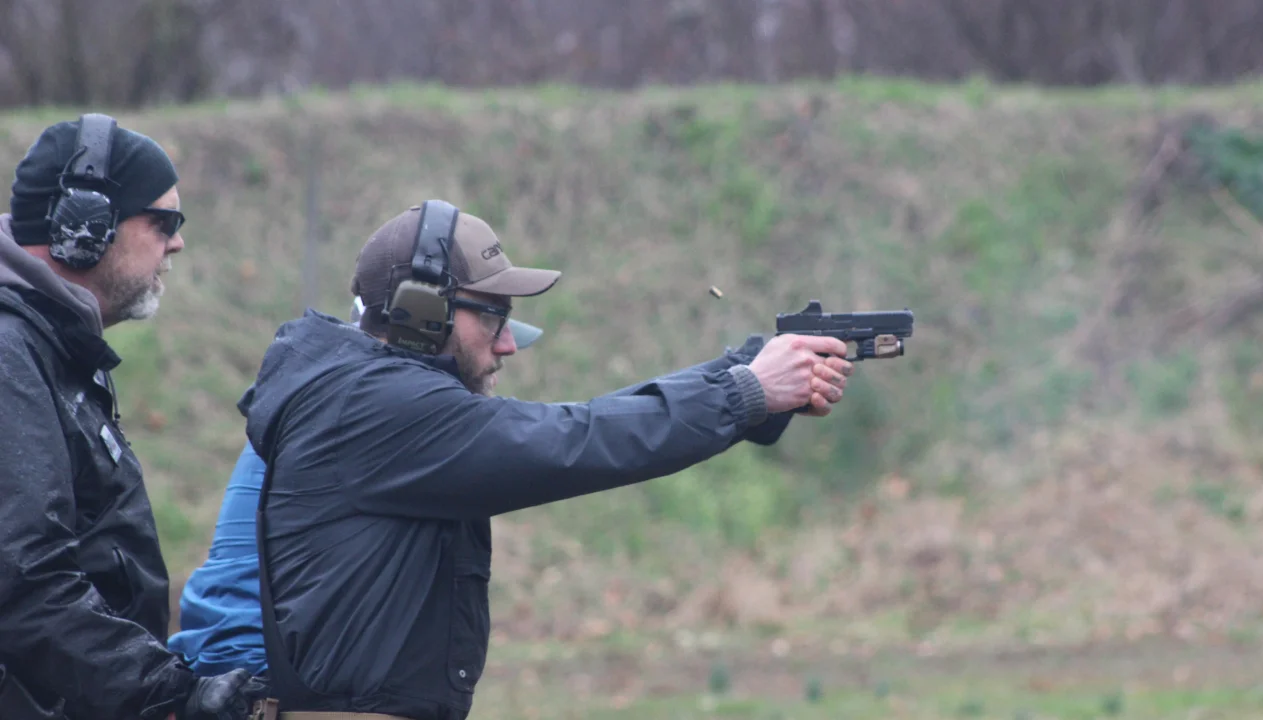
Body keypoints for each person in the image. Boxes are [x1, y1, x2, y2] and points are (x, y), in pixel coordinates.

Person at [238, 199, 854, 720]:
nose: (508, 342)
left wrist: (742, 373)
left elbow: (581, 422)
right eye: (494, 317)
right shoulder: (379, 406)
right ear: (423, 312)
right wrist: (742, 392)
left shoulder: (365, 395)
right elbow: (574, 442)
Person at [0, 113, 263, 719]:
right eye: (163, 221)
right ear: (83, 227)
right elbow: (23, 582)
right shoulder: (12, 354)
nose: (177, 243)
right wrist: (165, 692)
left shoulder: (53, 350)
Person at [167, 299, 547, 678]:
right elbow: (538, 445)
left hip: (240, 663)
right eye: (487, 328)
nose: (503, 352)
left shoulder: (322, 402)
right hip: (253, 673)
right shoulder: (374, 417)